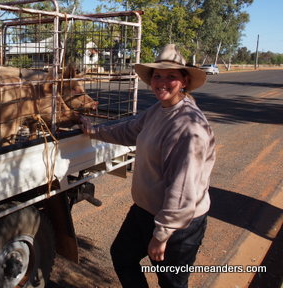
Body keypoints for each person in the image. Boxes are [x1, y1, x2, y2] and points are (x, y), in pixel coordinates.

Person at [80, 44, 216, 288]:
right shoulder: (158, 110)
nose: (162, 81)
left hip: (178, 223)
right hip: (146, 210)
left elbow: (183, 188)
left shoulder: (188, 126)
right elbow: (129, 130)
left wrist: (162, 234)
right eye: (157, 75)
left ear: (184, 81)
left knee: (170, 282)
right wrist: (94, 130)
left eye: (171, 76)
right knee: (122, 256)